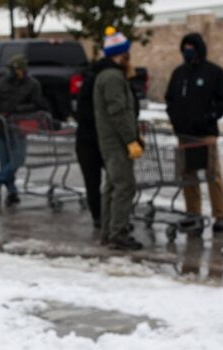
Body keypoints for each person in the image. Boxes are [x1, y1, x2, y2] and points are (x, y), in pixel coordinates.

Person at [165, 32, 223, 235]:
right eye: (185, 48)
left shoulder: (214, 72)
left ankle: (220, 215)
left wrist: (211, 116)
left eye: (191, 48)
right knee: (188, 176)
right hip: (184, 134)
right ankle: (193, 213)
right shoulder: (179, 74)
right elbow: (170, 99)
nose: (187, 52)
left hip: (205, 133)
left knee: (213, 175)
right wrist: (175, 119)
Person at [94, 27, 144, 251]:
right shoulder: (113, 77)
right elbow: (118, 112)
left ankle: (108, 231)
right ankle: (118, 233)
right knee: (125, 186)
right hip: (116, 142)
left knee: (112, 187)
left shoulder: (107, 75)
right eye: (127, 54)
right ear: (120, 54)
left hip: (110, 141)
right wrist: (130, 139)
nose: (130, 57)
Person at [0, 54, 48, 206]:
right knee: (5, 163)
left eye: (14, 69)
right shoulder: (1, 83)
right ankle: (12, 191)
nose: (10, 72)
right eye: (9, 69)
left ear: (22, 70)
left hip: (18, 128)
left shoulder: (32, 84)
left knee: (17, 160)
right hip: (0, 127)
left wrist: (18, 109)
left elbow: (37, 104)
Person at [75, 56, 111, 229]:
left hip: (86, 140)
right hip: (98, 139)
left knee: (93, 182)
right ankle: (105, 216)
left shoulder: (87, 83)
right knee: (112, 180)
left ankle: (101, 216)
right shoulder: (104, 83)